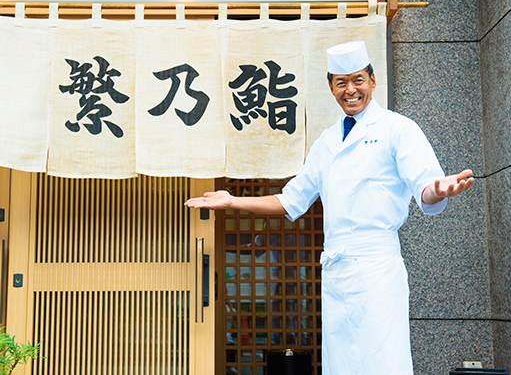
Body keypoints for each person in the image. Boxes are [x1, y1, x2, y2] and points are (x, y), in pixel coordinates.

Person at [185, 41, 474, 374]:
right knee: (341, 362)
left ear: (372, 81)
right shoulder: (326, 142)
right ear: (331, 87)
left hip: (377, 267)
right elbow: (290, 201)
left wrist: (440, 191)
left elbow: (426, 186)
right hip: (336, 270)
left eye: (358, 80)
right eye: (341, 82)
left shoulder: (398, 129)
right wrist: (233, 201)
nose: (350, 90)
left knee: (383, 359)